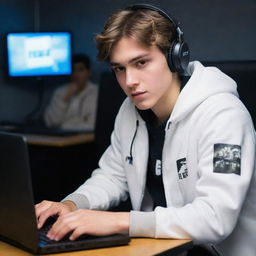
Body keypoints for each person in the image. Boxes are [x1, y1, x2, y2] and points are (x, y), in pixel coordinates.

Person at [35, 4, 256, 256]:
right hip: (164, 249)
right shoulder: (130, 111)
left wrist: (120, 222)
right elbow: (111, 176)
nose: (129, 81)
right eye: (119, 68)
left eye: (141, 63)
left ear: (175, 57)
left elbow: (215, 218)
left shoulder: (223, 116)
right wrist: (73, 205)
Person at [44, 54, 98, 131]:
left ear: (89, 72)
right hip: (61, 140)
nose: (76, 74)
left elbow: (92, 125)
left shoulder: (96, 93)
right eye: (73, 70)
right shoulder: (60, 92)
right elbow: (51, 122)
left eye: (80, 70)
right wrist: (65, 99)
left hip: (88, 139)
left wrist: (64, 126)